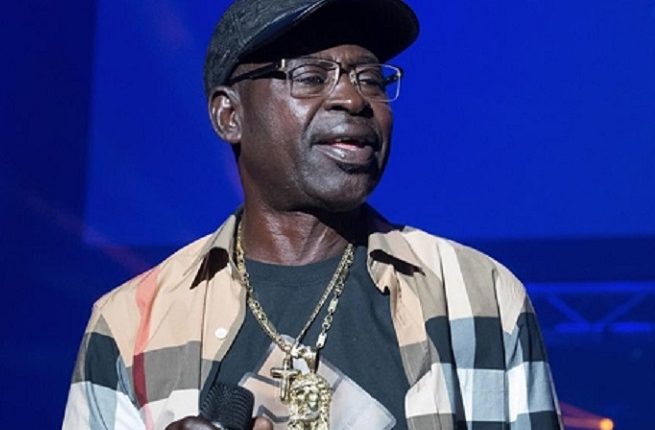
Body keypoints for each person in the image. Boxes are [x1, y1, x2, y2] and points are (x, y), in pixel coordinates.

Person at [63, 0, 563, 429]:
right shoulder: (131, 324)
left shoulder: (478, 296)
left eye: (371, 78)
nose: (353, 98)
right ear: (230, 116)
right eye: (310, 77)